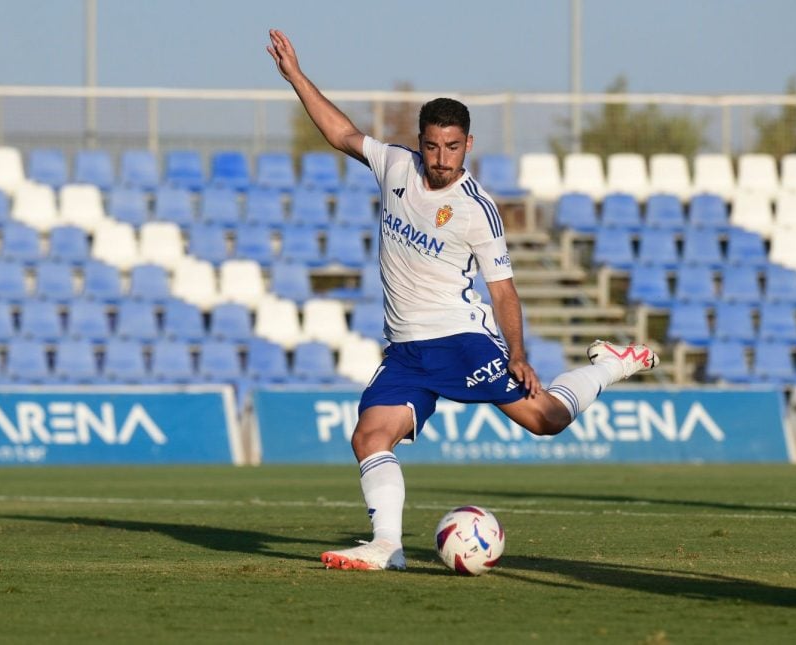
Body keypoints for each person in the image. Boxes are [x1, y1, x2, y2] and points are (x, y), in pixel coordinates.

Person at [267, 29, 658, 571]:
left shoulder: (477, 209)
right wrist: (296, 77)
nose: (441, 158)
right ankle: (387, 546)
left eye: (452, 147)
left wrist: (517, 353)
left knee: (545, 420)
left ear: (467, 145)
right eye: (432, 145)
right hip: (405, 351)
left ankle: (610, 368)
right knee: (369, 436)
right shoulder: (396, 167)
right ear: (420, 140)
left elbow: (504, 290)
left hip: (460, 341)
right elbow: (343, 134)